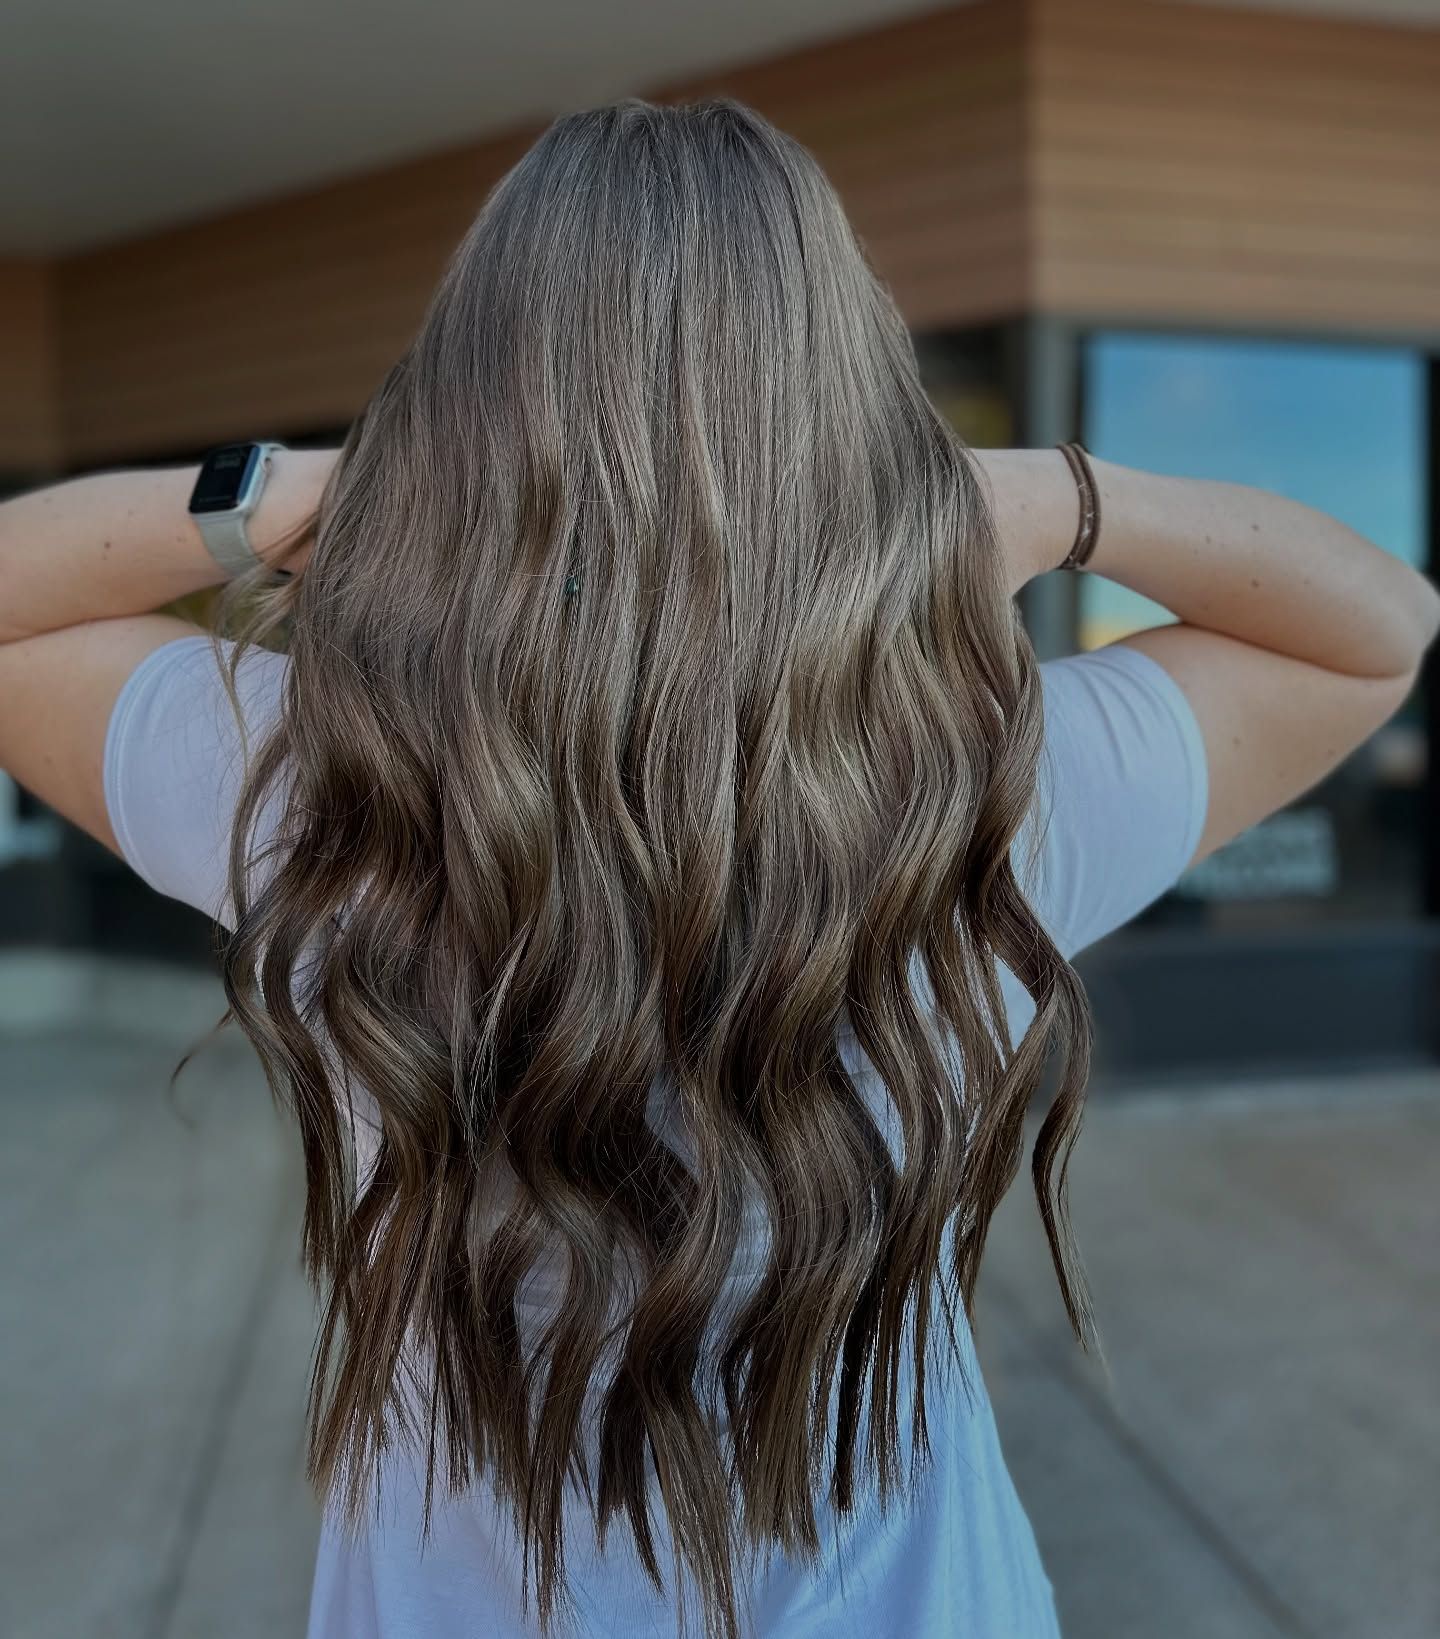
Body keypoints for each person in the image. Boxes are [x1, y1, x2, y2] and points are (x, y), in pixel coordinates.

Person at [0, 98, 1434, 1639]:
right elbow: (1378, 623)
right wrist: (1046, 496)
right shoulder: (992, 798)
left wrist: (297, 496)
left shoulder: (318, 786)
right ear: (845, 412)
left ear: (466, 412)